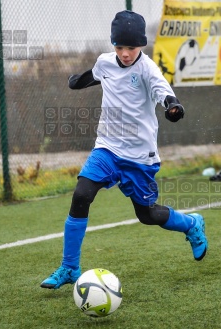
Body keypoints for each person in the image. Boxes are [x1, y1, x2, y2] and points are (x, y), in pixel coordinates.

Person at [40, 10, 208, 290]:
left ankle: (191, 224)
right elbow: (95, 76)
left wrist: (173, 107)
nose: (125, 53)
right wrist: (76, 81)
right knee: (81, 194)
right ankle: (69, 267)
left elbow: (164, 94)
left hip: (139, 157)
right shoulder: (105, 61)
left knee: (147, 215)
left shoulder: (148, 70)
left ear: (140, 45)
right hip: (107, 148)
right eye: (119, 47)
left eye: (130, 48)